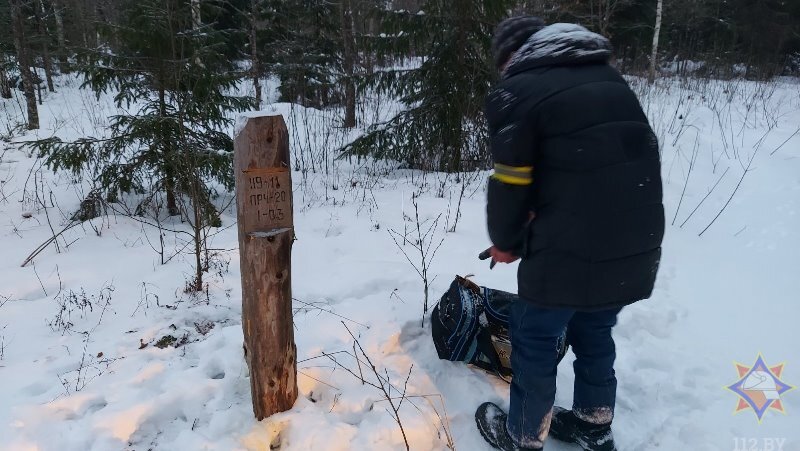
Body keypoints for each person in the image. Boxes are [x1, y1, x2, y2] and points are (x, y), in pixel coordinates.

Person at [474, 16, 665, 451]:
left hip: (574, 244)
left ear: (510, 57)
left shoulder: (517, 90)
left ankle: (522, 434)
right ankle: (593, 424)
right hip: (634, 235)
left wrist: (506, 241)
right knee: (595, 329)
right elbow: (589, 170)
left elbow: (512, 180)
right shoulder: (610, 80)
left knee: (536, 335)